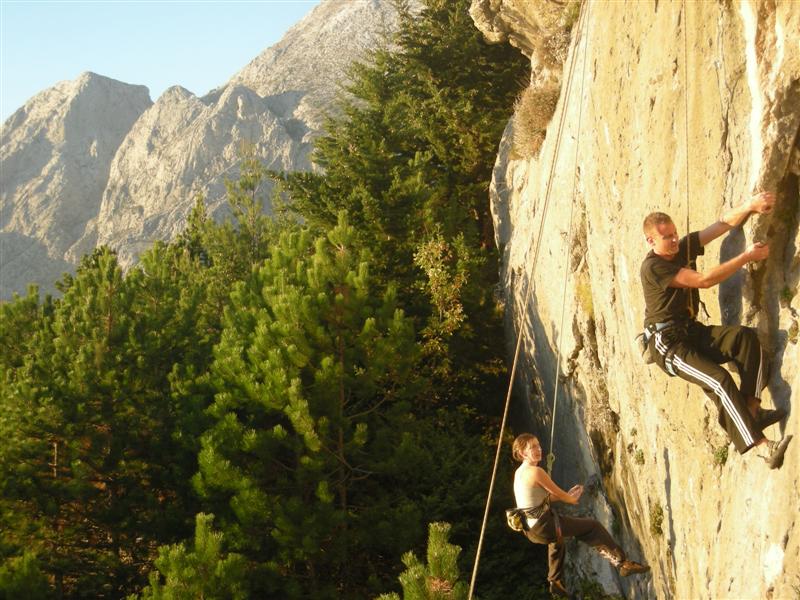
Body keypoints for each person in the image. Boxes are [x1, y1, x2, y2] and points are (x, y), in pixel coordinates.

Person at [640, 191, 791, 468]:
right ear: (651, 240)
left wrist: (750, 206)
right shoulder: (653, 267)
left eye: (675, 234)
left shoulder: (681, 248)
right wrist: (746, 257)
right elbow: (704, 280)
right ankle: (762, 446)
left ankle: (752, 411)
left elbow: (720, 226)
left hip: (690, 330)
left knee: (746, 339)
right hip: (668, 343)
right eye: (666, 237)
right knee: (718, 380)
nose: (674, 241)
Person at [511, 433, 649, 597]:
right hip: (544, 525)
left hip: (532, 530)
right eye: (532, 447)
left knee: (557, 540)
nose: (539, 449)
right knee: (592, 527)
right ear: (522, 453)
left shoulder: (520, 473)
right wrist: (570, 498)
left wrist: (567, 495)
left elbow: (543, 499)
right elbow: (558, 494)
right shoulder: (535, 472)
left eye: (538, 445)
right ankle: (622, 564)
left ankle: (555, 582)